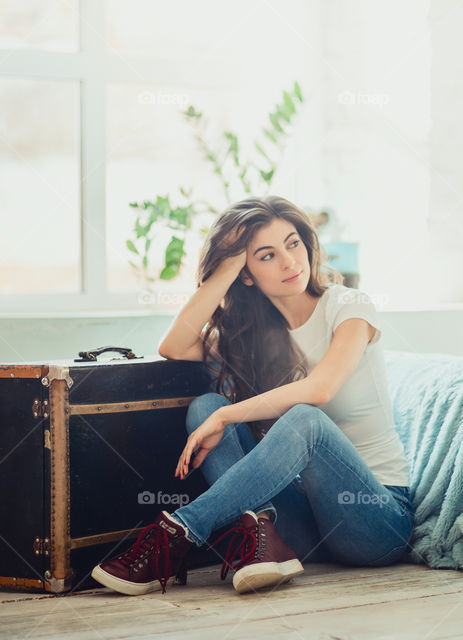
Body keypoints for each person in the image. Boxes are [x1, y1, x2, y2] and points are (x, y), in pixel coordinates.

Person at [91, 195, 414, 596]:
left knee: (304, 418)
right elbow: (174, 345)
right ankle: (263, 541)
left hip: (375, 521)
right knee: (206, 406)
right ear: (246, 272)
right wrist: (226, 268)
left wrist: (229, 417)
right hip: (306, 529)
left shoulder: (350, 307)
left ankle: (178, 530)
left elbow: (320, 388)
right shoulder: (253, 336)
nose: (289, 262)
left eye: (293, 243)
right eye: (266, 255)